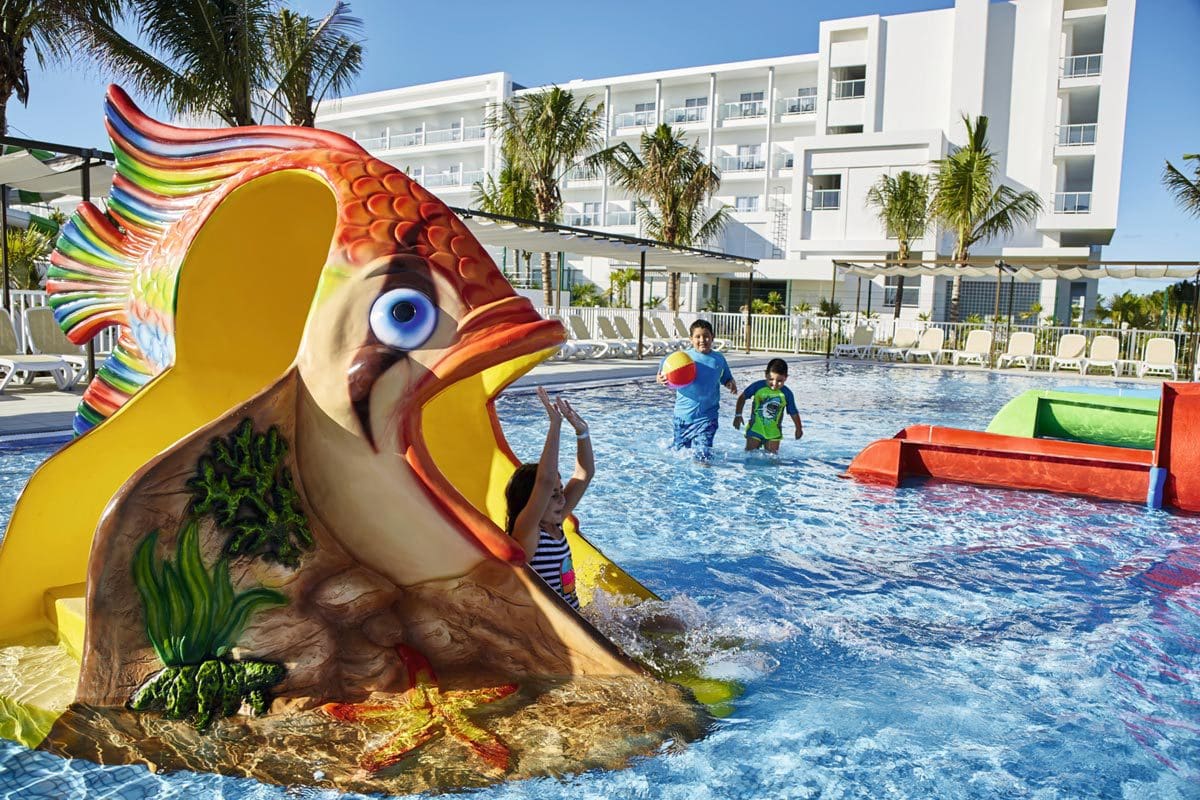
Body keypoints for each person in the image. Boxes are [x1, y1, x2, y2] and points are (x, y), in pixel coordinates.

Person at [504, 386, 591, 609]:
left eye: (560, 490)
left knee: (664, 622)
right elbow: (545, 480)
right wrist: (556, 424)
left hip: (577, 619)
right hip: (556, 630)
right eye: (553, 495)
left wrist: (582, 432)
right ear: (531, 500)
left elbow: (584, 474)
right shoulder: (527, 533)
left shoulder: (556, 522)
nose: (562, 499)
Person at [657, 319, 737, 460]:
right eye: (697, 337)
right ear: (691, 339)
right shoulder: (684, 357)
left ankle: (703, 476)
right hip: (683, 416)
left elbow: (725, 377)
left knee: (703, 455)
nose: (702, 340)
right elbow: (664, 362)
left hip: (708, 417)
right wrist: (659, 378)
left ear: (713, 337)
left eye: (706, 336)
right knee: (679, 453)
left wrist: (730, 383)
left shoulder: (718, 359)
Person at [733, 358, 803, 453]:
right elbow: (742, 397)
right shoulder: (758, 386)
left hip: (773, 432)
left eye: (779, 381)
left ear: (786, 378)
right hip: (755, 429)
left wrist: (798, 428)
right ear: (766, 375)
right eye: (771, 379)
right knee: (750, 455)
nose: (774, 384)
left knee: (772, 460)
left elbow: (793, 412)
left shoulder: (786, 393)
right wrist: (738, 415)